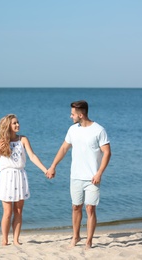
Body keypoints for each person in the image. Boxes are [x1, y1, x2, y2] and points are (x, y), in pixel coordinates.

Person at [46, 100, 111, 249]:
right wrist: (53, 166)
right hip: (75, 176)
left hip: (92, 178)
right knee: (76, 207)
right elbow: (64, 148)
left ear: (81, 115)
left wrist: (99, 173)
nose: (71, 116)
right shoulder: (72, 130)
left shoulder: (99, 130)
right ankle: (76, 236)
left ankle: (89, 241)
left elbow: (107, 152)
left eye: (73, 114)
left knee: (90, 208)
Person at [0, 114, 47, 246]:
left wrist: (45, 170)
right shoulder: (0, 140)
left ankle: (16, 240)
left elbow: (32, 156)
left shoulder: (23, 139)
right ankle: (4, 240)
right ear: (8, 126)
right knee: (7, 212)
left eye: (18, 122)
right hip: (6, 177)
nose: (17, 125)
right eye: (14, 123)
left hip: (19, 176)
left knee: (18, 211)